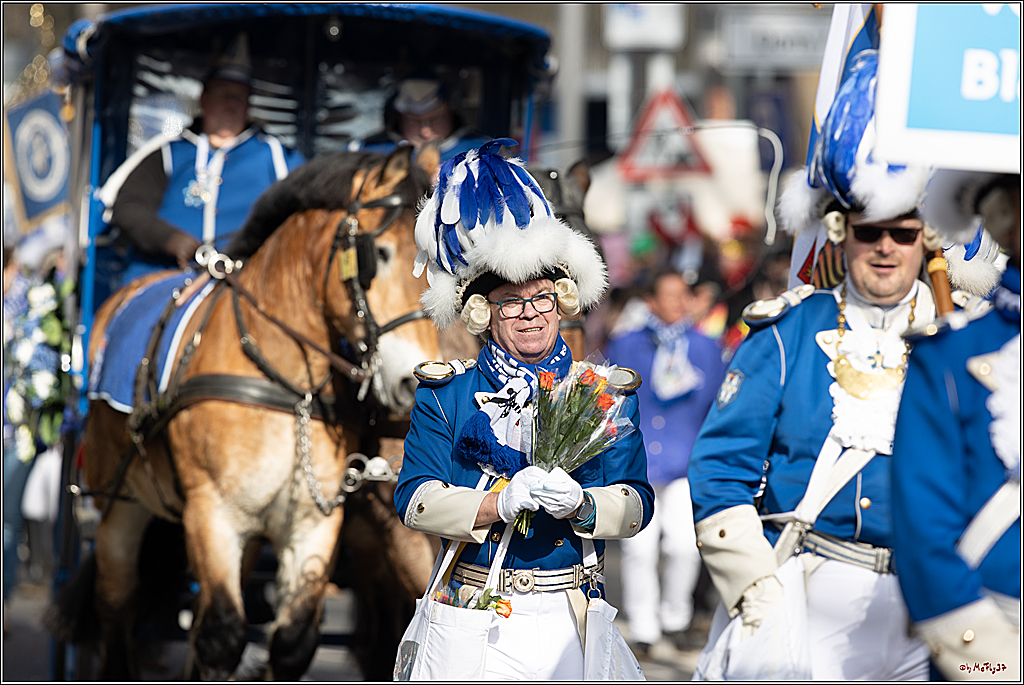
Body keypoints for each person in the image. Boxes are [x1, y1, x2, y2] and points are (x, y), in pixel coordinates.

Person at [688, 50, 937, 680]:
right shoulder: (788, 333)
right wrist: (754, 588)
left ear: (925, 240)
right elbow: (720, 467)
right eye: (869, 231)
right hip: (809, 594)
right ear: (841, 232)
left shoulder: (958, 340)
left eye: (904, 233)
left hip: (933, 606)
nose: (886, 248)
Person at [394, 139, 654, 679]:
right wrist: (497, 504)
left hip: (571, 617)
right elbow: (415, 500)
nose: (530, 314)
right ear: (483, 313)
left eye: (541, 298)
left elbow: (637, 503)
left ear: (561, 303)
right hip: (473, 616)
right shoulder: (445, 394)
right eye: (511, 302)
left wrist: (582, 505)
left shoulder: (603, 393)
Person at [890, 171, 1020, 680]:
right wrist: (992, 664)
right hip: (998, 642)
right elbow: (924, 533)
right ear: (1005, 221)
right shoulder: (948, 355)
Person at [102, 33, 305, 284]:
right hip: (166, 278)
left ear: (248, 105)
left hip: (247, 282)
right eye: (223, 94)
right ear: (204, 99)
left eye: (238, 97)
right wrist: (171, 240)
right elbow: (128, 207)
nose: (230, 105)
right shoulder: (169, 152)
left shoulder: (277, 156)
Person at [603, 268, 726, 655]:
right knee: (638, 550)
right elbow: (610, 400)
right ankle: (644, 627)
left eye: (682, 295)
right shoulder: (626, 343)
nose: (676, 302)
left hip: (686, 460)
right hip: (638, 459)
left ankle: (675, 618)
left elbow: (718, 406)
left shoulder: (706, 346)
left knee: (684, 546)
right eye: (668, 295)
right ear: (651, 301)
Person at [356, 77, 489, 164]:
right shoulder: (367, 152)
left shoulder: (482, 152)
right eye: (413, 121)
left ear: (450, 115)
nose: (425, 131)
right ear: (399, 120)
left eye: (435, 119)